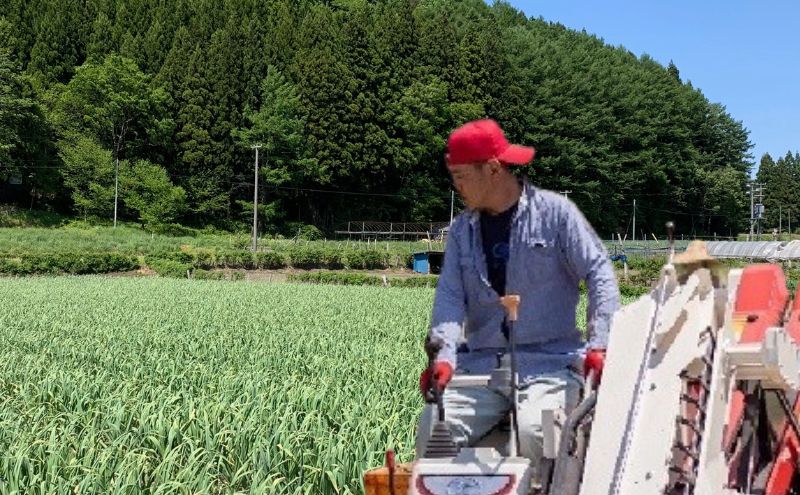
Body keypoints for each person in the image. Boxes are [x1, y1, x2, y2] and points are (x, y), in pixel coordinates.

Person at [415, 118, 620, 481]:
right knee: (434, 425)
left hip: (549, 363)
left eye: (462, 176)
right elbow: (449, 298)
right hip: (481, 368)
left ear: (492, 169)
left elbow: (599, 271)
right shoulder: (463, 230)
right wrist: (444, 359)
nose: (456, 186)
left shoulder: (556, 215)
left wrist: (600, 343)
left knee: (536, 431)